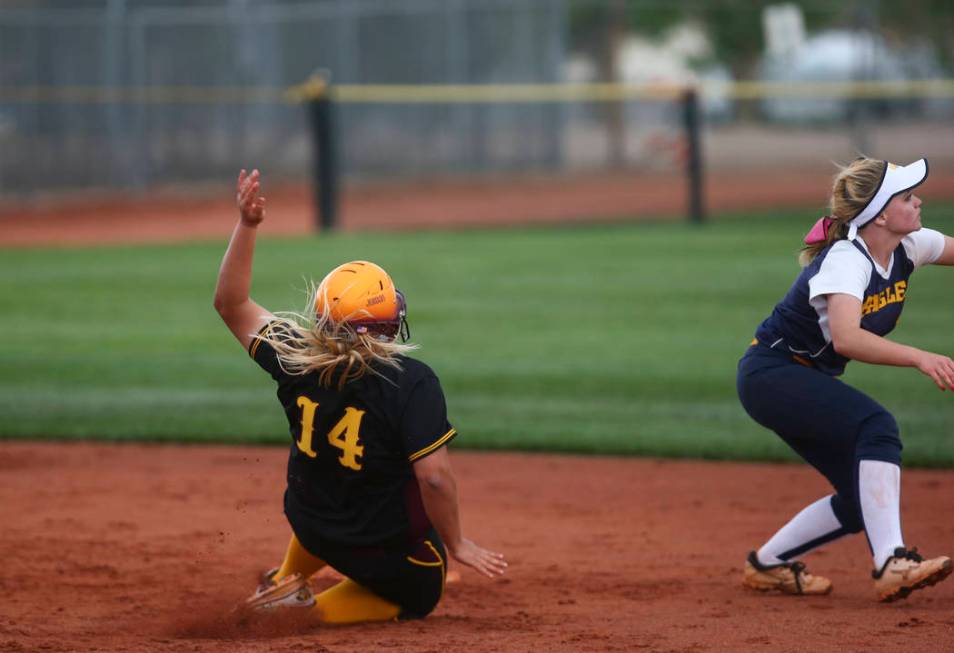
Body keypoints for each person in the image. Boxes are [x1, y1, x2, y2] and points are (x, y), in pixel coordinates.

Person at [214, 169, 506, 623]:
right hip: (379, 549)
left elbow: (231, 304)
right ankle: (300, 617)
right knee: (427, 580)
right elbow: (433, 479)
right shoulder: (412, 380)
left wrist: (247, 225)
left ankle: (287, 577)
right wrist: (459, 542)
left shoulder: (295, 357)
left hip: (309, 523)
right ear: (385, 326)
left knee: (327, 494)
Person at [736, 157, 953, 602]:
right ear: (879, 214)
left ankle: (768, 565)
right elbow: (848, 339)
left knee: (860, 499)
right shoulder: (845, 261)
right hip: (771, 374)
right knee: (875, 426)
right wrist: (918, 357)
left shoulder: (908, 245)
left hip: (799, 378)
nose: (918, 201)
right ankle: (893, 562)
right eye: (906, 197)